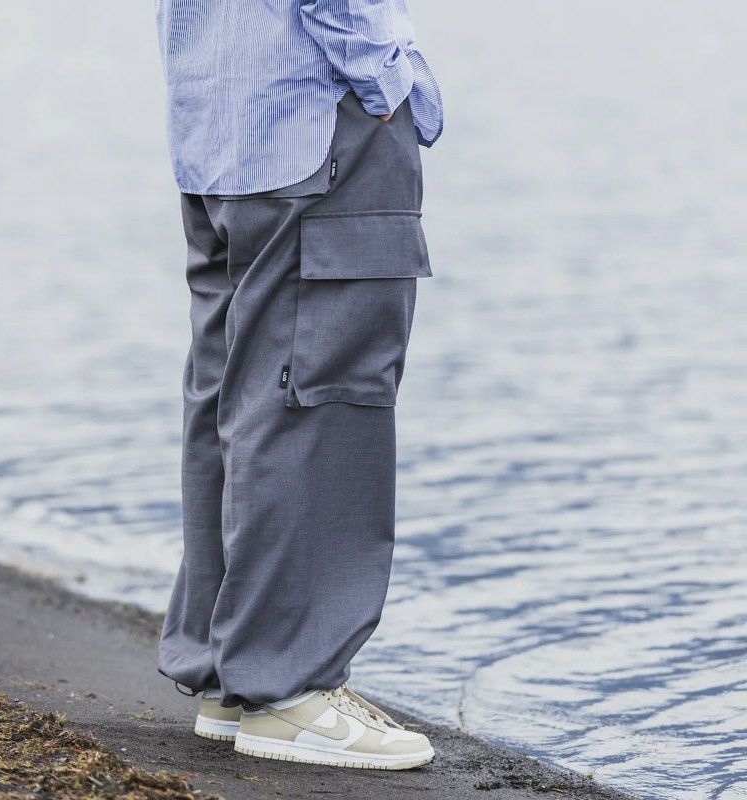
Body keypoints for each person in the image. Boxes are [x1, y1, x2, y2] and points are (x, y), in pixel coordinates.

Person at [154, 0, 443, 770]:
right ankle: (287, 688)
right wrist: (385, 77)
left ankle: (232, 671)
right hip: (316, 111)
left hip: (219, 115)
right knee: (321, 390)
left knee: (233, 390)